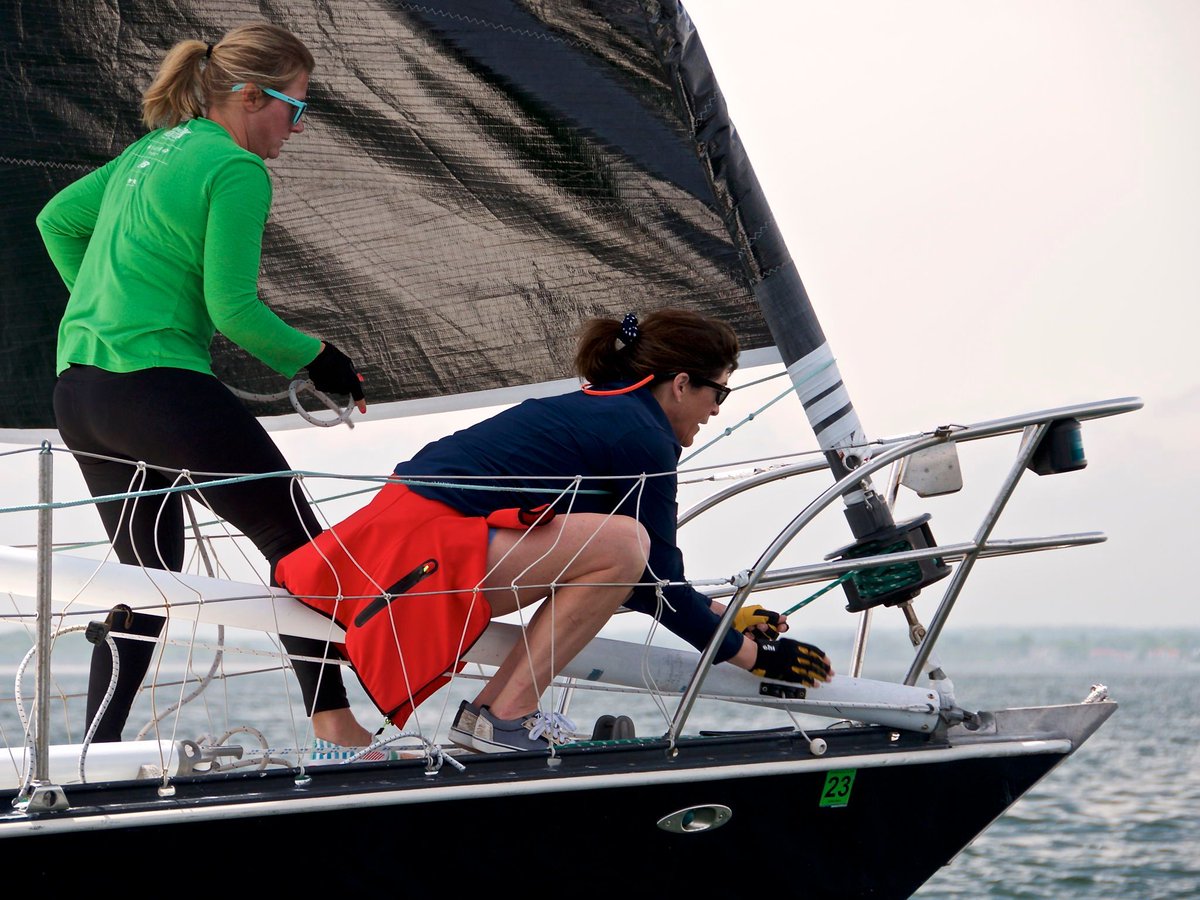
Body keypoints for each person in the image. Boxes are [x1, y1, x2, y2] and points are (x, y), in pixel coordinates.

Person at [277, 309, 832, 753]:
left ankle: (491, 719)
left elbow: (640, 583)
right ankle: (505, 716)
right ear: (683, 384)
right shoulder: (640, 434)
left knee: (620, 547)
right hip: (417, 555)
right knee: (624, 542)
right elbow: (652, 579)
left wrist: (726, 617)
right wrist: (753, 657)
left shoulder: (608, 411)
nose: (717, 411)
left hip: (390, 549)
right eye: (720, 393)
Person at [37, 22, 372, 747]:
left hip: (81, 393)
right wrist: (322, 359)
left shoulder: (151, 150)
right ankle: (336, 725)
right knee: (297, 544)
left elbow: (56, 220)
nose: (298, 126)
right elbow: (235, 311)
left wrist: (106, 307)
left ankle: (94, 751)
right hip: (157, 390)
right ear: (251, 97)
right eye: (296, 107)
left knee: (148, 576)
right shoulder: (235, 168)